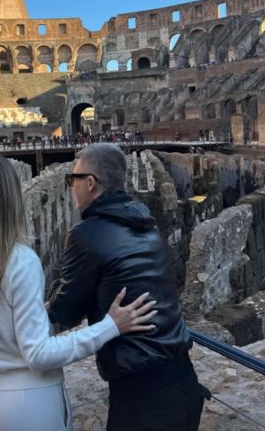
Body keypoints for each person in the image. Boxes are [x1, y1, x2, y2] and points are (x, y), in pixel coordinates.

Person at [0, 154, 157, 431]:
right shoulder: (20, 261)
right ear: (11, 198)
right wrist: (110, 326)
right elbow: (38, 354)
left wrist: (22, 316)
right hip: (30, 403)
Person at [48, 143, 209, 431]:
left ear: (90, 183)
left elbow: (64, 313)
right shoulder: (147, 223)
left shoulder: (86, 234)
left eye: (73, 179)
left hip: (142, 397)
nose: (71, 187)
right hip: (184, 382)